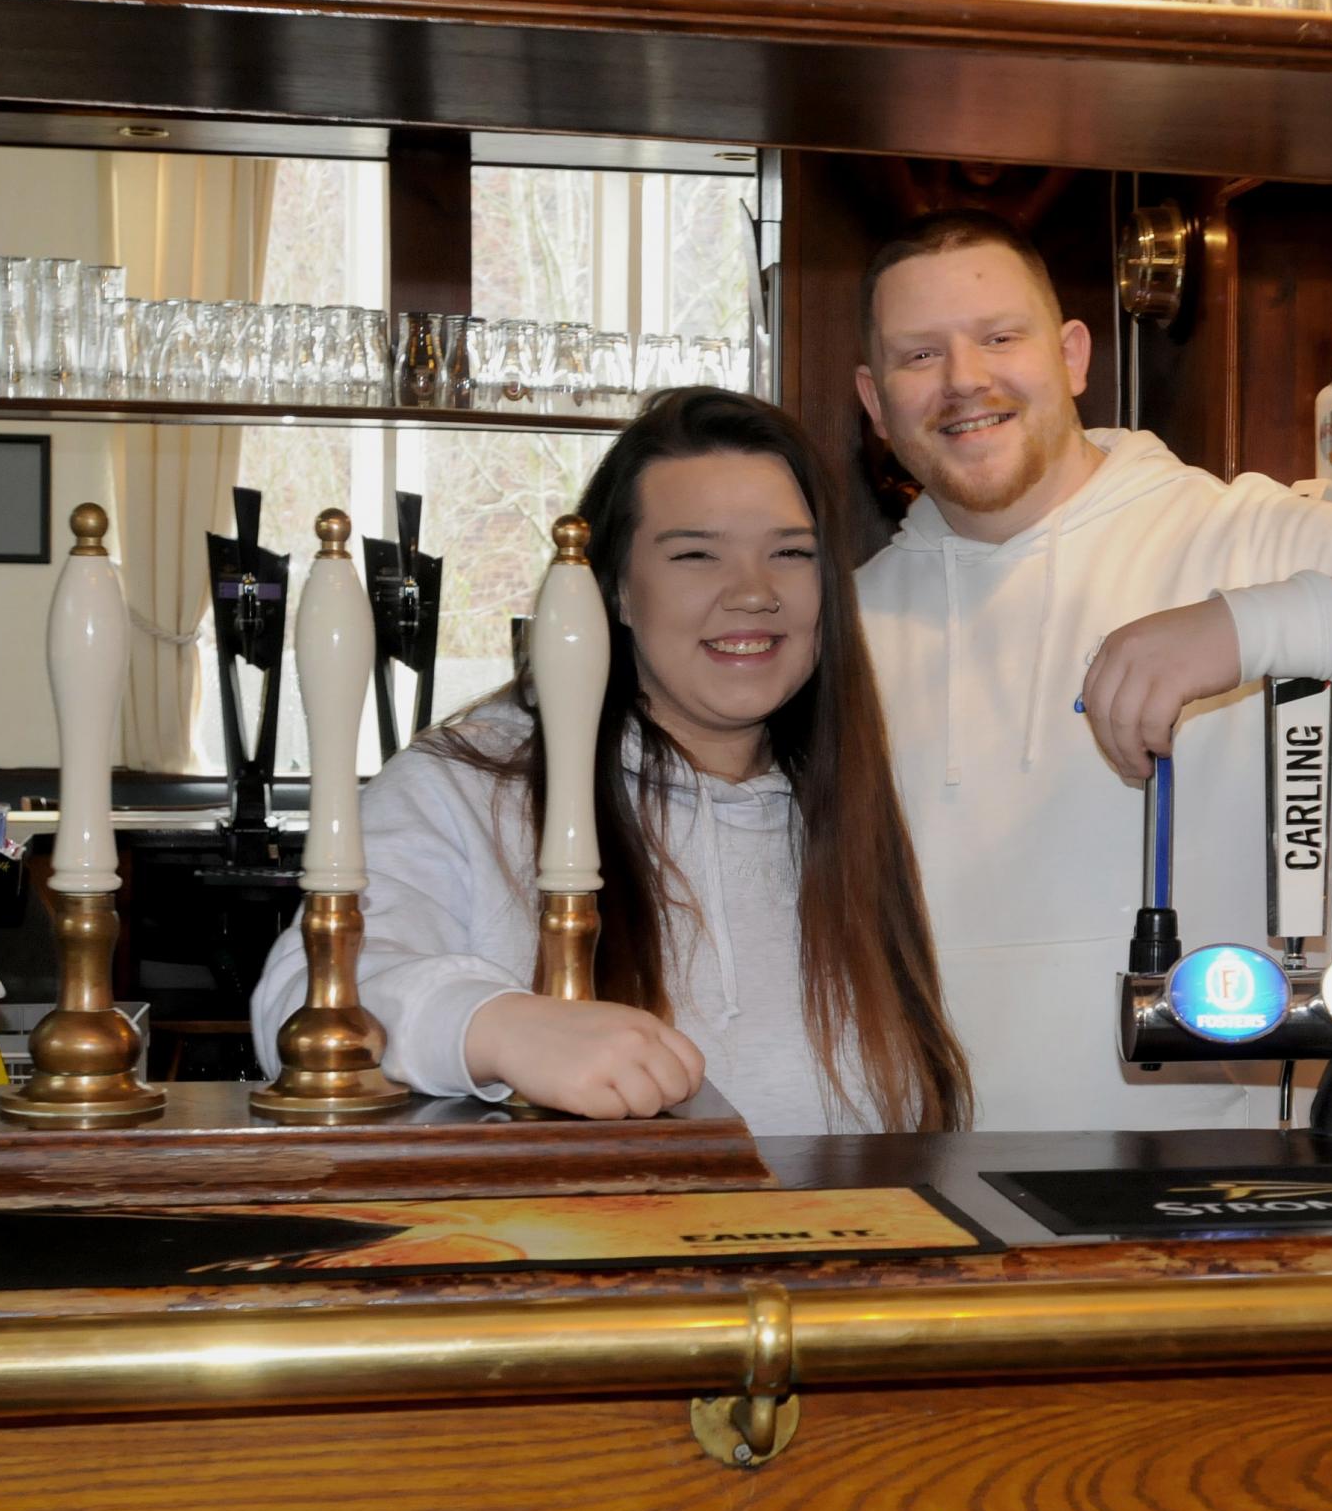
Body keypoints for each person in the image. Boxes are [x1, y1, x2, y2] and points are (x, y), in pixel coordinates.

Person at [852, 211, 1332, 1132]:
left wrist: (1251, 625)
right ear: (873, 398)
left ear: (1073, 355)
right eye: (918, 356)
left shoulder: (1245, 542)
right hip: (920, 1207)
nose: (965, 379)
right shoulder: (841, 625)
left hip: (1213, 1210)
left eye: (1000, 338)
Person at [251, 388, 971, 1133]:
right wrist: (498, 1026)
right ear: (618, 588)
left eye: (791, 553)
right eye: (696, 554)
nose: (754, 593)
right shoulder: (474, 781)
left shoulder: (868, 794)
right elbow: (301, 1002)